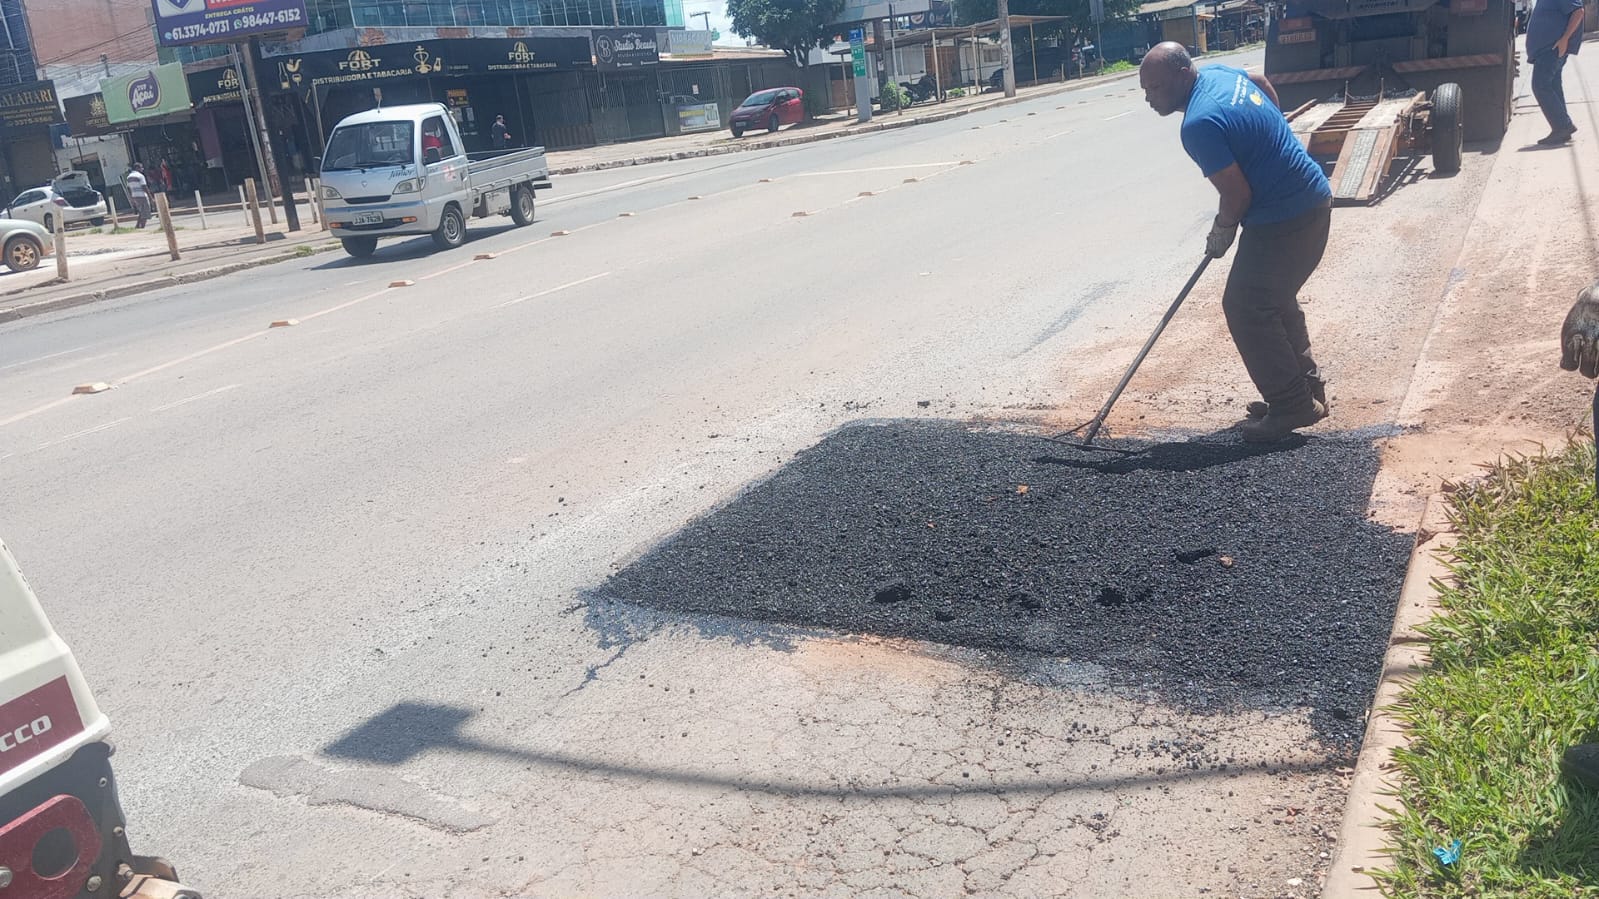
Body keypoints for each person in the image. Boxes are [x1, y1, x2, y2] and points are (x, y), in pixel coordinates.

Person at [1139, 42, 1334, 442]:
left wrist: (1221, 231)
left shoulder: (1198, 125)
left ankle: (1291, 404)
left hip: (1287, 216)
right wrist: (1273, 132)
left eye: (1154, 88)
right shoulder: (1217, 75)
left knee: (1246, 306)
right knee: (1274, 299)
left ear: (1181, 76)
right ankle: (1305, 391)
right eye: (1145, 90)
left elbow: (1237, 197)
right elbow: (1259, 80)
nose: (1148, 98)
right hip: (1309, 199)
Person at [1526, 0, 1586, 145]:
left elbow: (1578, 12)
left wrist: (1564, 39)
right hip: (1548, 50)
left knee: (1540, 85)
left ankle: (1563, 126)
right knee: (1553, 87)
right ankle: (1562, 129)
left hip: (1551, 49)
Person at [125, 163, 150, 229]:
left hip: (135, 196)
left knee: (141, 212)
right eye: (141, 167)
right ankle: (142, 227)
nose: (142, 169)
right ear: (137, 168)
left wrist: (131, 197)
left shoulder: (129, 177)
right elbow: (144, 186)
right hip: (142, 196)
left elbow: (128, 188)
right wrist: (150, 197)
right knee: (145, 213)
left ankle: (137, 226)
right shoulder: (140, 176)